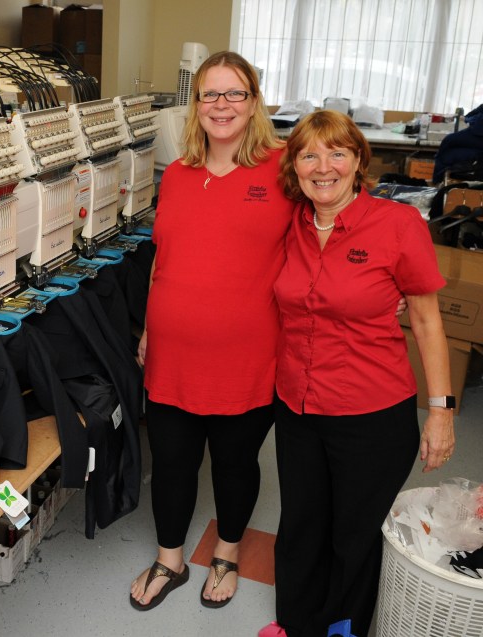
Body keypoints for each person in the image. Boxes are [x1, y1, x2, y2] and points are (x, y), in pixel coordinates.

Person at [271, 110, 456, 637]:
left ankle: (342, 631)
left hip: (371, 414)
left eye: (337, 153)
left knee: (353, 535)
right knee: (302, 526)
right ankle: (295, 625)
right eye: (309, 154)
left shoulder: (398, 226)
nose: (322, 167)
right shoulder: (292, 224)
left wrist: (440, 413)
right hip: (299, 407)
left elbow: (425, 319)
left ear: (358, 161)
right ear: (295, 166)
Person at [130, 51, 293, 611]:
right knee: (172, 461)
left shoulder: (283, 170)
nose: (221, 105)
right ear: (194, 104)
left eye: (234, 94)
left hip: (248, 358)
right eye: (210, 94)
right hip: (172, 354)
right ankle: (169, 558)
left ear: (253, 103)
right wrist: (150, 329)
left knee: (234, 464)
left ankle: (225, 553)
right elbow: (162, 260)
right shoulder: (176, 175)